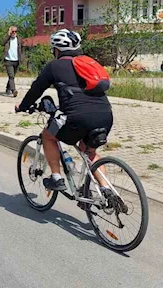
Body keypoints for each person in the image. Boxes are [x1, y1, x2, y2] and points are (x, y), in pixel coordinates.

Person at [14, 29, 113, 192]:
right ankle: (106, 190)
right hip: (105, 115)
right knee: (89, 151)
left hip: (76, 117)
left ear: (57, 50)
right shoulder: (89, 63)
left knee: (48, 136)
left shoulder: (54, 66)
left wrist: (23, 106)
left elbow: (36, 89)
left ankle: (56, 177)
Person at [2, 26, 24, 97]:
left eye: (15, 31)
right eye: (12, 31)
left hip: (16, 61)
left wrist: (22, 58)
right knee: (11, 76)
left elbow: (22, 49)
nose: (14, 33)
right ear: (10, 32)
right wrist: (8, 34)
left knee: (12, 76)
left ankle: (8, 88)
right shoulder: (7, 39)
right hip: (8, 60)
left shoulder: (19, 39)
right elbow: (2, 43)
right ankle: (13, 90)